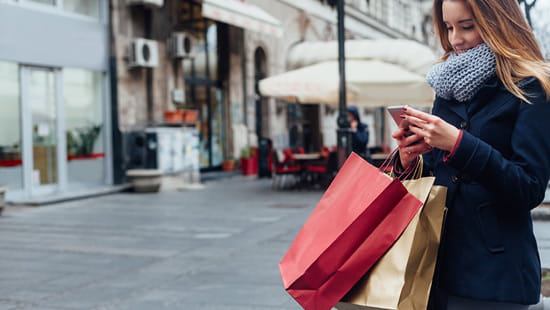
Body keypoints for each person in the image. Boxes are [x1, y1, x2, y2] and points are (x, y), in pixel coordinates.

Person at [391, 0, 550, 309]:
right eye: (449, 28)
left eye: (467, 26)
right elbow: (439, 179)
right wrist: (410, 159)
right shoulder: (447, 88)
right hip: (433, 268)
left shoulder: (532, 87)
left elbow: (529, 187)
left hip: (495, 276)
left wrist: (459, 144)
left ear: (499, 23)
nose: (455, 40)